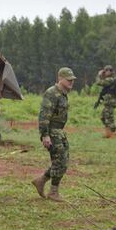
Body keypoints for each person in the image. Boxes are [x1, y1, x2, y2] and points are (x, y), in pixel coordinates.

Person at [32, 67, 76, 202]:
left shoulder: (63, 94)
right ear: (60, 79)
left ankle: (41, 180)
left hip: (59, 132)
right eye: (68, 80)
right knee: (59, 161)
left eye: (72, 80)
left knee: (63, 161)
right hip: (52, 132)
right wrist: (45, 135)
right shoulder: (52, 93)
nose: (71, 82)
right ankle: (53, 192)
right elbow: (44, 115)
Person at [95, 65, 116, 138]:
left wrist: (99, 75)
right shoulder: (110, 79)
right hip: (108, 102)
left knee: (109, 118)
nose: (104, 72)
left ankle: (112, 133)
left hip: (110, 102)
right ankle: (108, 133)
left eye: (106, 71)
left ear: (110, 71)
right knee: (103, 117)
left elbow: (99, 82)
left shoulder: (110, 79)